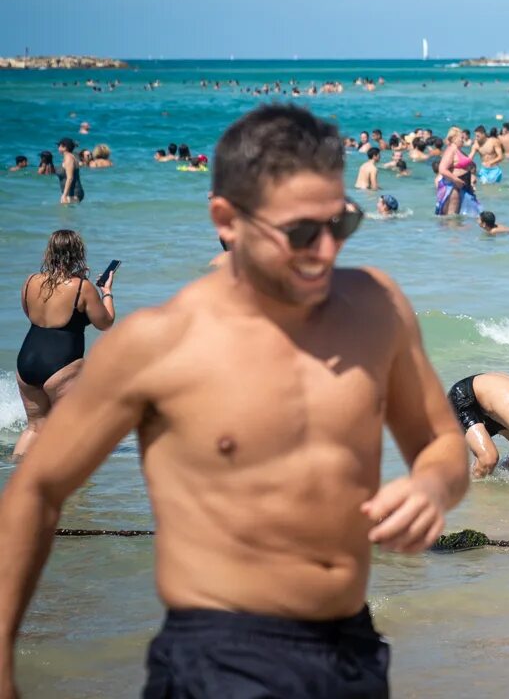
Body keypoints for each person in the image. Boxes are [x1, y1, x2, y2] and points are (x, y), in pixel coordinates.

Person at [0, 103, 468, 697]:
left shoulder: (378, 307)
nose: (326, 251)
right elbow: (36, 490)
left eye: (340, 225)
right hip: (218, 658)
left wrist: (431, 486)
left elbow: (441, 443)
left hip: (353, 648)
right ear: (227, 219)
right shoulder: (160, 343)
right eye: (301, 232)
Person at [13, 230, 116, 457]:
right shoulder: (82, 287)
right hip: (61, 364)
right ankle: (77, 491)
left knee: (35, 428)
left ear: (49, 252)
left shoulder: (30, 281)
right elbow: (105, 322)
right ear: (78, 252)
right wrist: (106, 292)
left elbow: (31, 313)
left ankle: (13, 477)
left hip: (27, 360)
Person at [55, 139, 83, 204]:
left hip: (73, 193)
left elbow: (70, 178)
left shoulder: (69, 158)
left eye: (59, 145)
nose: (58, 147)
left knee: (64, 213)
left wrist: (64, 195)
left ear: (65, 147)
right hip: (70, 193)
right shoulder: (68, 157)